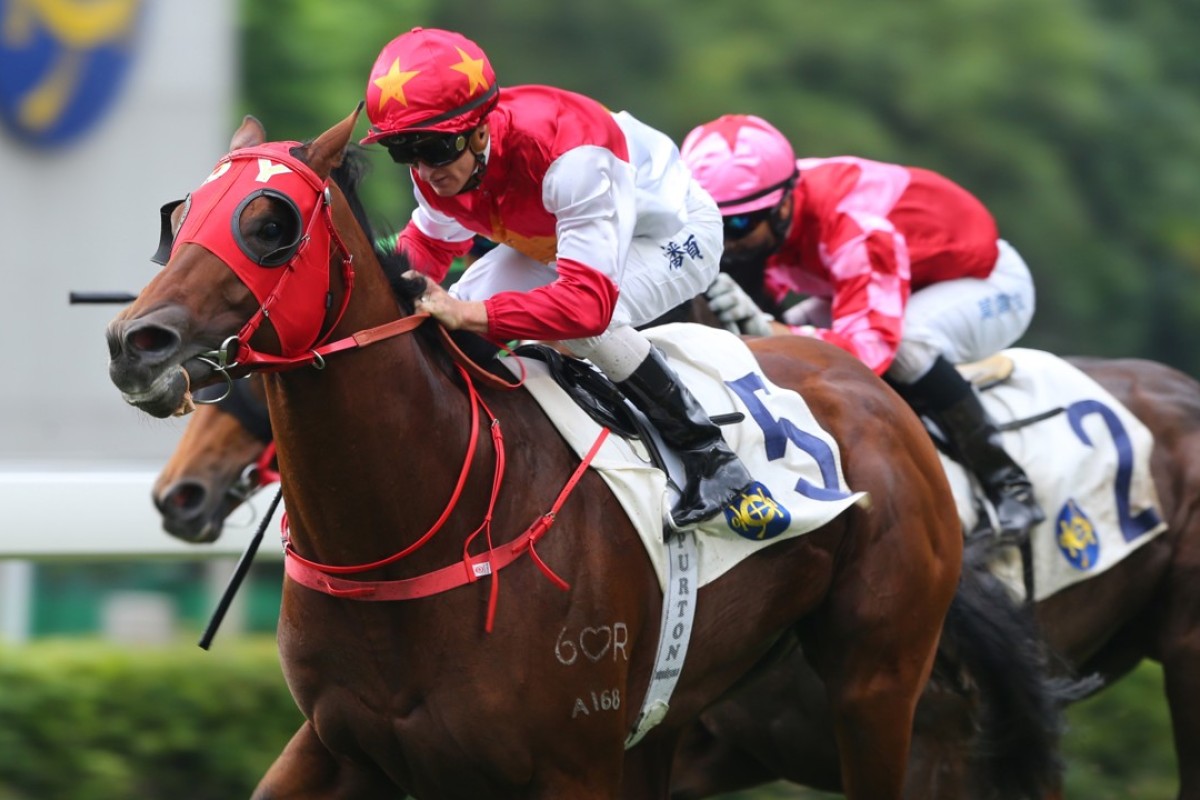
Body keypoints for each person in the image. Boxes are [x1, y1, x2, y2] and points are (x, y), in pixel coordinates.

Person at [361, 27, 752, 528]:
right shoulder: (438, 166)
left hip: (670, 234)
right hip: (563, 241)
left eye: (434, 150)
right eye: (403, 151)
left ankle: (710, 457)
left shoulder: (571, 157)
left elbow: (588, 305)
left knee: (578, 325)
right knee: (456, 308)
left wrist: (470, 314)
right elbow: (429, 250)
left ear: (480, 130)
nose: (424, 169)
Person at [681, 113, 1044, 544]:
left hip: (982, 281)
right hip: (884, 278)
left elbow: (872, 349)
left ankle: (1007, 483)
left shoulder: (855, 224)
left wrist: (771, 326)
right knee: (774, 344)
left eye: (739, 224)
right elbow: (765, 317)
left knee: (908, 345)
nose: (729, 240)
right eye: (715, 223)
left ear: (783, 205)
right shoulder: (769, 214)